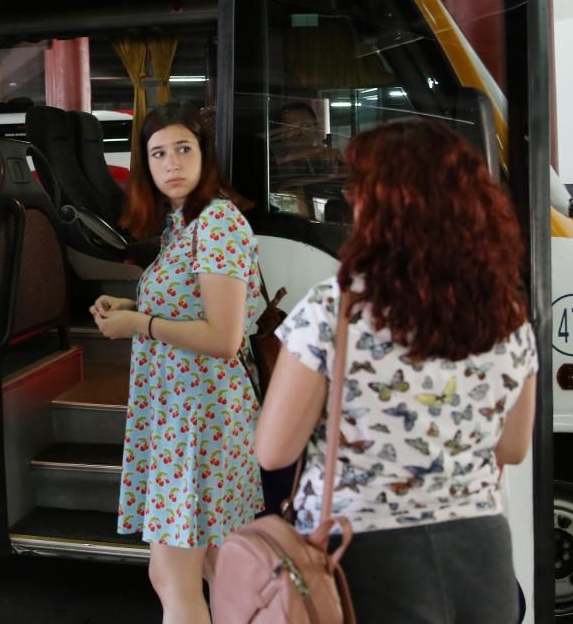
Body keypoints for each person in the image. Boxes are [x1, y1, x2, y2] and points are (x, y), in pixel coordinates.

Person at [255, 118, 538, 624]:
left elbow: (274, 450)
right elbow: (513, 447)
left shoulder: (334, 310)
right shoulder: (508, 315)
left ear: (379, 206)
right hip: (481, 549)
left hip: (362, 551)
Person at [90, 100, 264, 624]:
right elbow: (192, 306)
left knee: (172, 576)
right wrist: (133, 307)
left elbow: (224, 337)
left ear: (203, 155)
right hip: (182, 418)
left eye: (183, 149)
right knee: (217, 569)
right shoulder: (183, 224)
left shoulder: (217, 223)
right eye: (158, 153)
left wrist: (138, 326)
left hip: (199, 422)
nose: (171, 164)